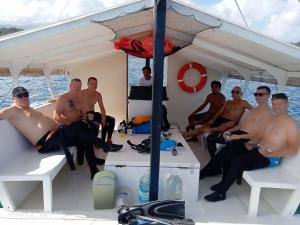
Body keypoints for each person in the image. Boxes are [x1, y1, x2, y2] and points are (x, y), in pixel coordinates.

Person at [0, 87, 120, 179]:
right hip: (46, 143)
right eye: (20, 96)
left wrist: (56, 100)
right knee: (77, 125)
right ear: (13, 98)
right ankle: (105, 145)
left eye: (26, 94)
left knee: (84, 139)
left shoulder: (28, 109)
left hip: (56, 135)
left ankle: (93, 170)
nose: (24, 97)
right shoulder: (12, 110)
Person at [204, 93, 300, 202]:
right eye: (274, 104)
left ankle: (222, 193)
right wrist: (251, 143)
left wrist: (268, 154)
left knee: (237, 160)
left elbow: (293, 149)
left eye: (280, 104)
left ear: (287, 104)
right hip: (257, 148)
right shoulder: (273, 119)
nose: (276, 107)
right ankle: (222, 182)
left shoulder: (291, 124)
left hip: (269, 157)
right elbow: (260, 136)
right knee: (229, 151)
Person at [53, 79, 122, 177]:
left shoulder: (79, 98)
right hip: (66, 130)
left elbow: (82, 114)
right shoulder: (63, 98)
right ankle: (105, 145)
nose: (77, 89)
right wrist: (69, 123)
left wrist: (87, 118)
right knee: (80, 128)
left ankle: (94, 170)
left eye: (79, 87)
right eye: (74, 86)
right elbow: (55, 116)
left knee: (87, 138)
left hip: (78, 127)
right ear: (70, 86)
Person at [205, 86, 273, 157]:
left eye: (261, 94)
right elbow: (241, 125)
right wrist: (228, 131)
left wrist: (238, 136)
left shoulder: (268, 113)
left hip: (246, 138)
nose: (257, 96)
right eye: (256, 94)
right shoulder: (254, 109)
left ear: (268, 96)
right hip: (239, 132)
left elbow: (258, 135)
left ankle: (217, 161)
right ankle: (214, 159)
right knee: (210, 138)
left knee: (225, 149)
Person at [182, 86, 252, 140]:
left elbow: (253, 110)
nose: (234, 93)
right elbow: (220, 112)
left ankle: (210, 130)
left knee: (229, 124)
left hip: (230, 122)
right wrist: (213, 119)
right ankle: (184, 135)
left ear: (241, 94)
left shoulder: (243, 103)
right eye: (232, 91)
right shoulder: (228, 102)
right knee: (202, 128)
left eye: (237, 92)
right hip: (221, 119)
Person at [80, 77, 116, 144]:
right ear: (88, 84)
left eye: (96, 84)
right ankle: (98, 142)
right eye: (92, 84)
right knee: (94, 124)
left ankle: (108, 140)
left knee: (111, 119)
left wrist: (104, 118)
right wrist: (84, 117)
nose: (94, 86)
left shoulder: (98, 95)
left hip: (92, 113)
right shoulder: (82, 93)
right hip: (83, 115)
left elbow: (102, 108)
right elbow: (78, 107)